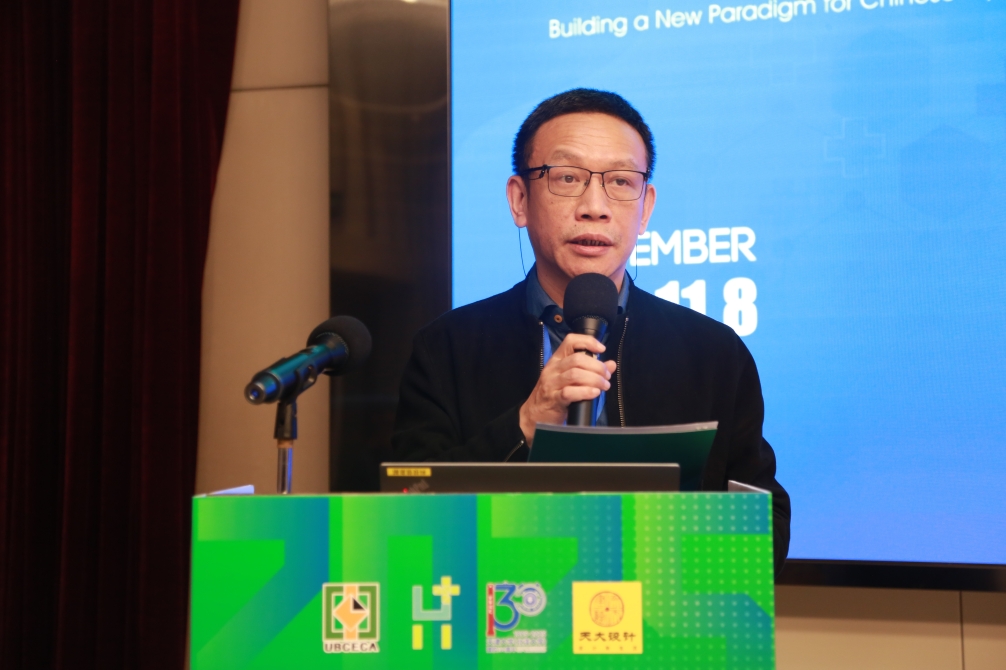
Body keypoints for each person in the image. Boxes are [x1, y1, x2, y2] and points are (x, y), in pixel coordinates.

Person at [392, 88, 790, 571]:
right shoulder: (447, 348)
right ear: (519, 200)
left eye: (621, 181)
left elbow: (768, 527)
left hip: (661, 613)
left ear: (645, 208)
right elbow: (408, 518)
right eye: (567, 177)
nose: (595, 206)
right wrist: (525, 425)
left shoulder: (712, 352)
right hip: (503, 611)